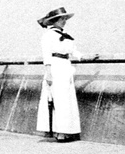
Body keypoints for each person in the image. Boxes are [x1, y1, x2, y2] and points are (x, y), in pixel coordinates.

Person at [35, 7, 98, 142]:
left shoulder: (67, 37)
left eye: (65, 19)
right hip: (55, 67)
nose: (64, 21)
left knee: (67, 98)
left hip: (66, 67)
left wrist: (88, 57)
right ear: (54, 21)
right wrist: (48, 74)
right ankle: (60, 132)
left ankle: (68, 131)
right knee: (58, 99)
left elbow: (74, 52)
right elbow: (46, 56)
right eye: (61, 19)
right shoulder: (48, 36)